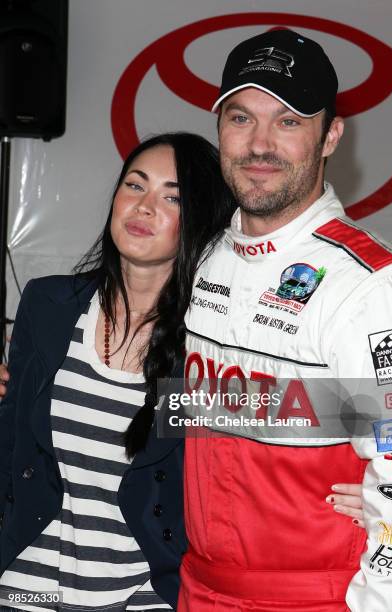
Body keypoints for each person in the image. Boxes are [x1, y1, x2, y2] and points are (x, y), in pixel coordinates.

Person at [178, 29, 392, 611]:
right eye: (240, 118)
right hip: (199, 588)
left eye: (287, 122)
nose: (259, 144)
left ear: (330, 135)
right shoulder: (204, 256)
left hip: (321, 597)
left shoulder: (372, 282)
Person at [0, 132, 235, 611]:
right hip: (27, 588)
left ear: (201, 220)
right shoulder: (48, 306)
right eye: (135, 185)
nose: (145, 207)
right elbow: (9, 449)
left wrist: (362, 484)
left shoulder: (210, 346)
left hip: (140, 597)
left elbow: (351, 413)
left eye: (172, 196)